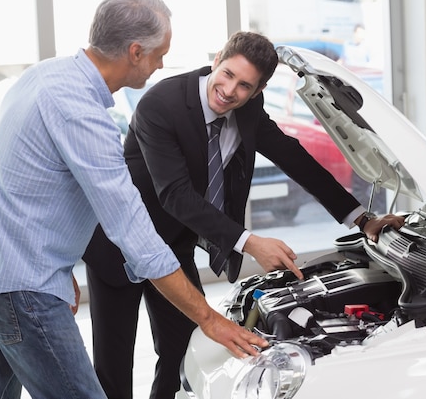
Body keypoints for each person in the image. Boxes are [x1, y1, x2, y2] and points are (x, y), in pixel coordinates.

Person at [0, 0, 267, 399]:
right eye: (158, 55)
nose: (160, 65)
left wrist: (58, 263)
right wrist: (209, 319)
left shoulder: (43, 75)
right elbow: (134, 233)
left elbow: (19, 184)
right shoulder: (83, 115)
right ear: (135, 52)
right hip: (23, 290)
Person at [83, 31, 406, 399]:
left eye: (244, 86)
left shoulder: (249, 108)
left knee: (179, 349)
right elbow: (175, 194)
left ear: (258, 90)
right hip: (118, 244)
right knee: (114, 363)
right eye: (227, 74)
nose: (229, 90)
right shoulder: (161, 104)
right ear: (217, 57)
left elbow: (293, 157)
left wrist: (363, 220)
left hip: (172, 247)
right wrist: (250, 242)